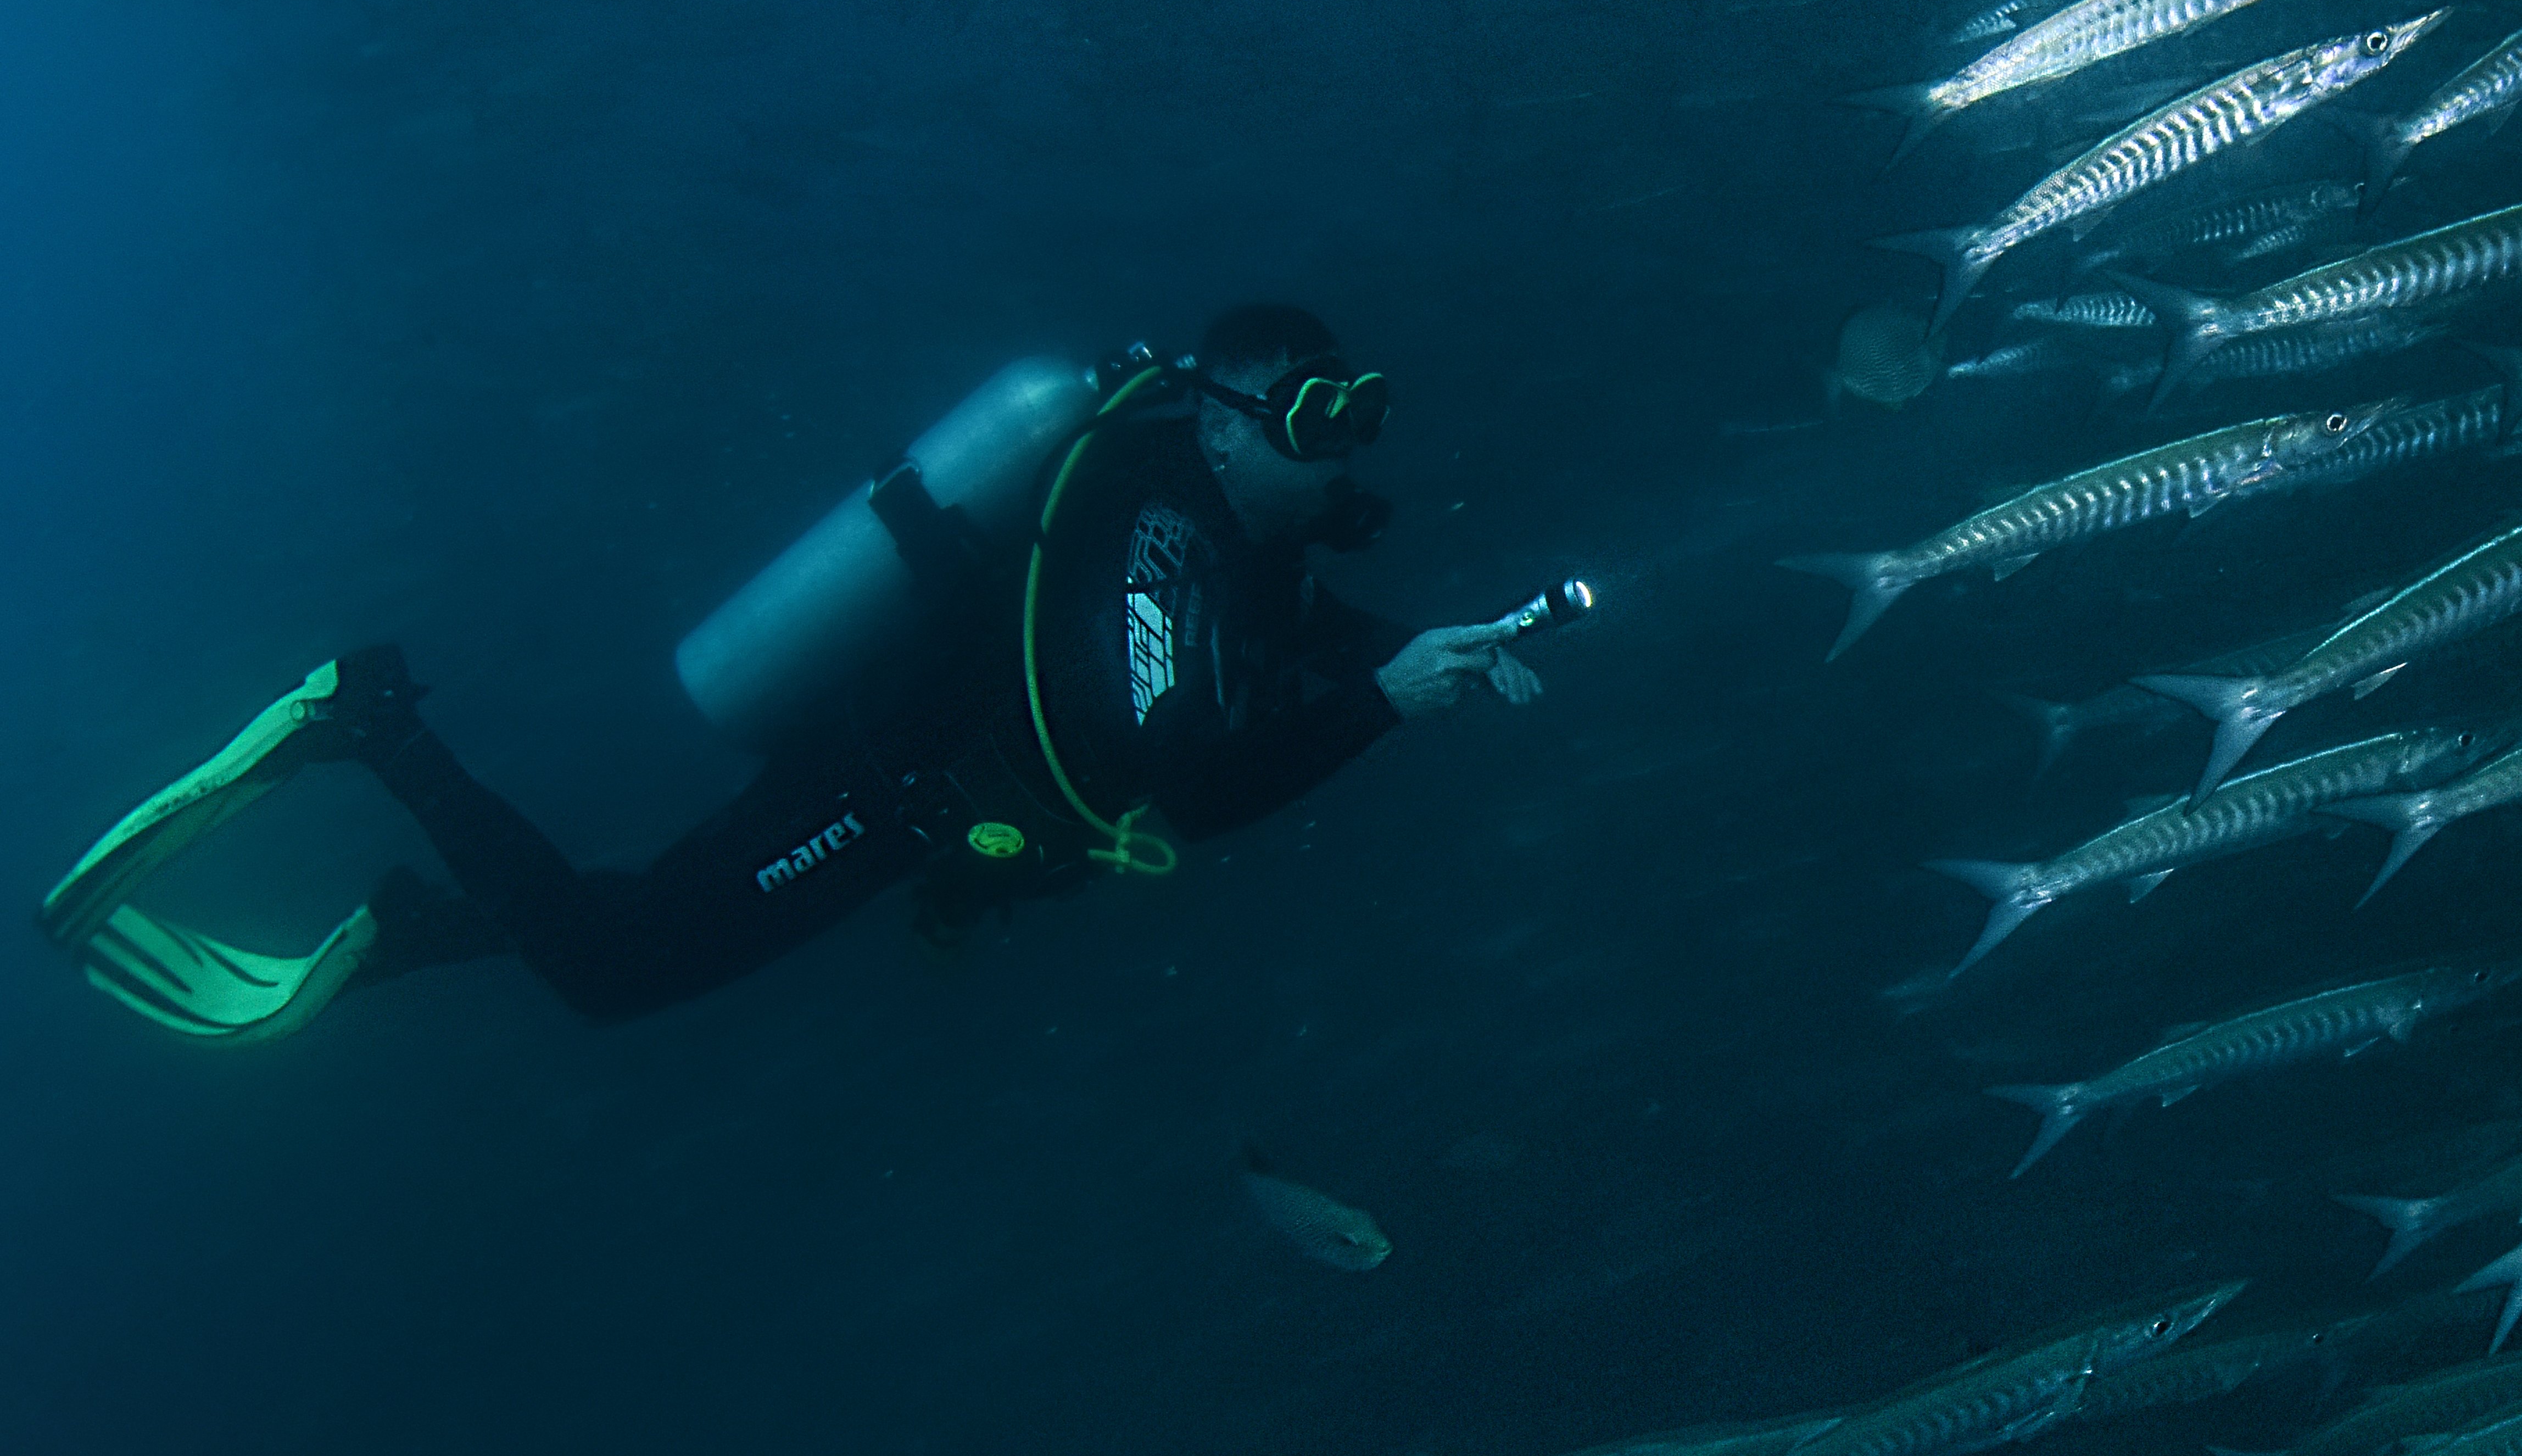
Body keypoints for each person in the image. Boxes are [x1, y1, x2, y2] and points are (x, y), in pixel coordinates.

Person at [38, 305, 1545, 1039]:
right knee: (622, 966)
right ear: (1218, 425)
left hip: (918, 806)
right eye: (1303, 418)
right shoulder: (1157, 529)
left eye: (1350, 415)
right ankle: (367, 724)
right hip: (881, 787)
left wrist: (1415, 657)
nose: (1335, 444)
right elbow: (1186, 779)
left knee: (645, 925)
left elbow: (1285, 640)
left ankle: (418, 927)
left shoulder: (1239, 541)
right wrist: (1380, 705)